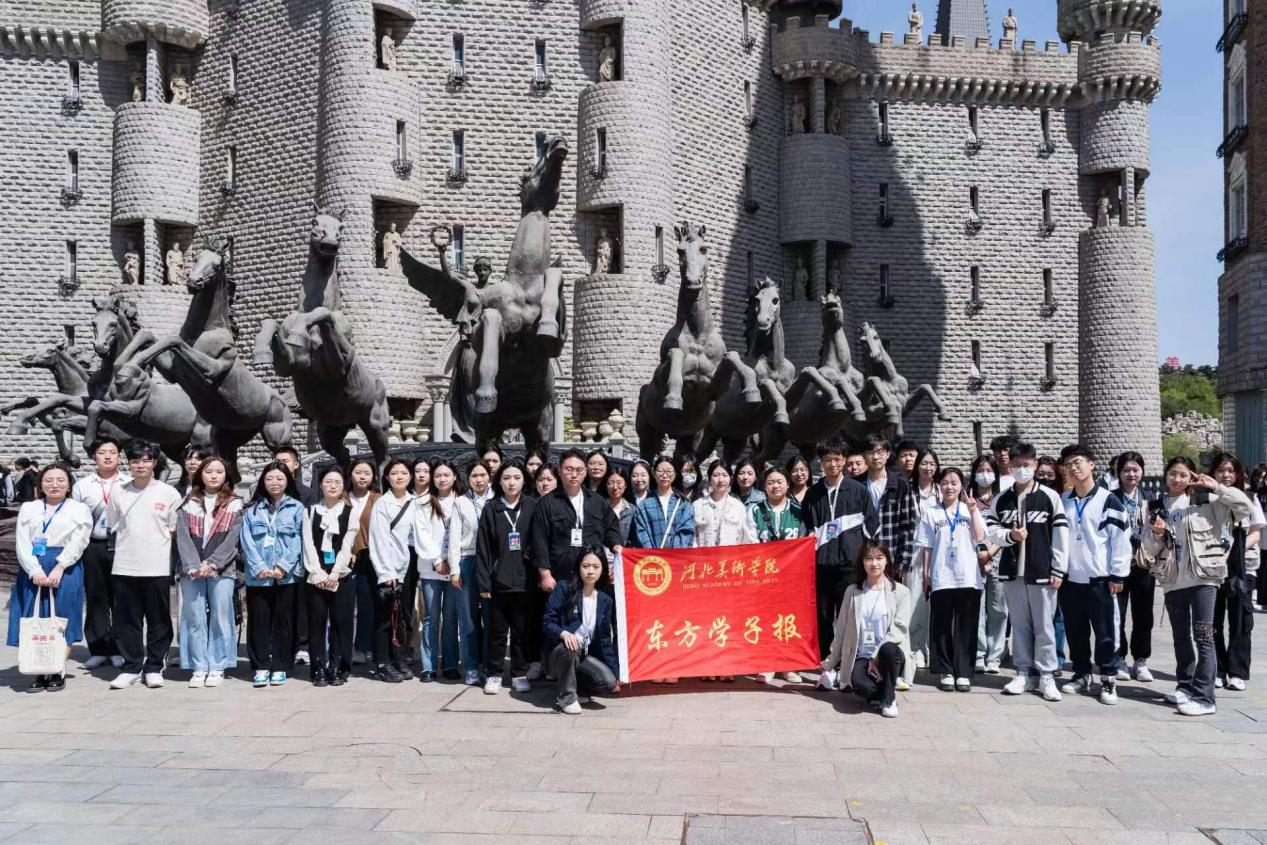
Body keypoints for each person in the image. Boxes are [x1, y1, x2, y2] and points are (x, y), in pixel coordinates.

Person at [1144, 456, 1251, 716]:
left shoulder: (1207, 501)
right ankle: (1185, 685)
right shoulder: (1156, 505)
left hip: (1204, 578)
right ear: (1165, 476)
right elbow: (1148, 547)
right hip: (1172, 580)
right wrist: (1156, 533)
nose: (1177, 479)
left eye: (1183, 474)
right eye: (1173, 473)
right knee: (1180, 636)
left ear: (1192, 477)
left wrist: (1217, 487)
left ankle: (1205, 698)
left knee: (1203, 636)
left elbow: (1244, 507)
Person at [987, 442, 1068, 702]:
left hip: (1041, 569)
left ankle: (1046, 674)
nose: (1022, 469)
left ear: (1034, 465)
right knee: (1020, 624)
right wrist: (1010, 536)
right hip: (1012, 571)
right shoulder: (1002, 499)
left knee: (1044, 625)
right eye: (1017, 465)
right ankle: (1022, 672)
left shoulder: (1049, 497)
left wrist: (1058, 568)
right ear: (1010, 466)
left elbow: (1060, 535)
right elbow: (991, 530)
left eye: (1026, 465)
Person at [1058, 445, 1132, 705]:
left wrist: (1118, 575)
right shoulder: (1063, 500)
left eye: (1078, 462)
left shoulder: (1108, 500)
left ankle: (1108, 677)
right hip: (1071, 579)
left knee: (1106, 631)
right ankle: (1082, 674)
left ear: (1091, 464)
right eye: (1068, 464)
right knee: (1075, 631)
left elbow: (1120, 540)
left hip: (1101, 579)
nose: (1073, 468)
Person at [8, 462, 91, 691]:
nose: (55, 485)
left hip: (66, 566)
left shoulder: (78, 509)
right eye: (49, 480)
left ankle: (57, 669)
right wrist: (34, 570)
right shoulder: (29, 508)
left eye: (60, 480)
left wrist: (60, 566)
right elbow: (22, 541)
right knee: (34, 616)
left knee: (63, 616)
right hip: (33, 566)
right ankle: (38, 669)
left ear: (69, 485)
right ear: (41, 484)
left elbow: (80, 540)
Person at [106, 441, 182, 690]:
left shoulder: (169, 493)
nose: (140, 465)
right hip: (125, 565)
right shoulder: (119, 492)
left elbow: (173, 530)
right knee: (127, 620)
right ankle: (131, 667)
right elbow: (113, 524)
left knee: (158, 619)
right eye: (135, 460)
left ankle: (154, 667)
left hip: (156, 566)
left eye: (146, 460)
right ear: (128, 463)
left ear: (154, 463)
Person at [803, 440, 878, 682]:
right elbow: (806, 529)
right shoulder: (813, 494)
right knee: (823, 617)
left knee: (849, 617)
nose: (833, 464)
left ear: (844, 460)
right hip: (821, 565)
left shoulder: (858, 491)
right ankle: (827, 666)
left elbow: (871, 528)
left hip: (849, 566)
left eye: (837, 459)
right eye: (827, 460)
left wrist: (866, 561)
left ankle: (848, 665)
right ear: (821, 462)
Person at [914, 467, 987, 692]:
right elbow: (927, 546)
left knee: (967, 627)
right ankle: (945, 670)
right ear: (939, 485)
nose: (949, 487)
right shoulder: (932, 512)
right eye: (945, 482)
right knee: (941, 626)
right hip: (941, 575)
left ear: (962, 486)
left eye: (954, 483)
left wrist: (973, 511)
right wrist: (926, 575)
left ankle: (964, 672)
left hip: (968, 576)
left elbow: (980, 537)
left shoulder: (969, 509)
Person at [821, 541, 913, 717]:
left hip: (888, 654)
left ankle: (889, 699)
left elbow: (899, 629)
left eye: (879, 558)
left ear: (887, 560)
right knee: (860, 686)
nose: (874, 563)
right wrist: (829, 663)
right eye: (869, 558)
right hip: (862, 656)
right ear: (862, 562)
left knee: (889, 650)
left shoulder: (901, 592)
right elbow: (840, 629)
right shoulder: (852, 591)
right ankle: (882, 692)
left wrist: (875, 657)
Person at [174, 455, 242, 688]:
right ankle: (198, 666)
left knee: (221, 617)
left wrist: (212, 563)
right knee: (194, 617)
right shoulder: (188, 502)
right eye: (209, 471)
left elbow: (233, 540)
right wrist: (193, 565)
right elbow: (183, 537)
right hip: (191, 570)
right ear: (200, 474)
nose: (214, 476)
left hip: (222, 569)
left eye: (219, 472)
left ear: (226, 476)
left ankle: (217, 665)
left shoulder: (235, 503)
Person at [240, 461, 305, 687]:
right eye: (269, 479)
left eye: (279, 478)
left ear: (288, 481)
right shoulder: (252, 510)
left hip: (286, 575)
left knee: (284, 621)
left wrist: (283, 566)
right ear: (262, 482)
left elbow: (299, 539)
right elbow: (246, 540)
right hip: (258, 576)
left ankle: (280, 665)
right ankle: (260, 666)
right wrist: (259, 566)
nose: (274, 483)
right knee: (258, 621)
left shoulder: (297, 508)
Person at [477, 458, 537, 694]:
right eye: (507, 478)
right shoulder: (491, 508)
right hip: (498, 580)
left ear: (524, 480)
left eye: (517, 478)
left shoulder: (532, 505)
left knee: (522, 630)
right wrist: (484, 582)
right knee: (497, 631)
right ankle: (494, 673)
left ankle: (519, 673)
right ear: (499, 481)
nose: (512, 483)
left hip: (525, 580)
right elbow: (483, 547)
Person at [72, 437, 129, 669]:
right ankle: (98, 649)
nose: (107, 456)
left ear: (119, 456)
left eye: (112, 452)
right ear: (94, 456)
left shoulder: (129, 482)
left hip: (123, 546)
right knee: (96, 597)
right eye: (102, 452)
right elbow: (76, 519)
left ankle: (120, 649)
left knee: (122, 599)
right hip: (93, 546)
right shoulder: (82, 485)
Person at [750, 465, 810, 685]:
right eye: (770, 482)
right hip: (763, 576)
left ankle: (788, 664)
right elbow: (749, 541)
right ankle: (766, 664)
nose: (775, 486)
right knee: (765, 618)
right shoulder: (754, 510)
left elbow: (805, 541)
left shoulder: (799, 511)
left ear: (787, 484)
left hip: (791, 576)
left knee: (789, 619)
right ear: (764, 486)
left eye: (779, 481)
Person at [543, 547, 620, 714]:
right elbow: (548, 622)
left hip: (584, 656)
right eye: (586, 566)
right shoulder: (564, 588)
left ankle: (579, 689)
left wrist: (616, 673)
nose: (590, 571)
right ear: (578, 567)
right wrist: (564, 634)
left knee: (608, 682)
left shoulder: (605, 600)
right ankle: (566, 697)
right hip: (559, 654)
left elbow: (605, 640)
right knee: (571, 646)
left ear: (603, 569)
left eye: (596, 566)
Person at [1209, 452, 1260, 691]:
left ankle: (1238, 672)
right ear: (1213, 473)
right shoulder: (1207, 498)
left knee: (1241, 620)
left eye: (1231, 470)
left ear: (1238, 473)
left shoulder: (1249, 497)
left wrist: (1233, 550)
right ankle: (1217, 670)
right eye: (1221, 470)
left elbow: (1256, 532)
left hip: (1242, 565)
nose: (1226, 475)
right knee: (1213, 619)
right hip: (1212, 566)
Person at [301, 466, 356, 687]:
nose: (333, 486)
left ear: (343, 486)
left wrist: (335, 573)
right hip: (316, 575)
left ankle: (338, 667)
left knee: (341, 623)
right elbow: (308, 544)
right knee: (317, 622)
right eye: (328, 481)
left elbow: (347, 545)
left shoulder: (350, 512)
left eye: (337, 482)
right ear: (321, 484)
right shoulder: (310, 511)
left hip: (340, 574)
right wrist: (318, 572)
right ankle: (318, 668)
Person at [369, 459, 419, 683]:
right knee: (385, 618)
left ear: (410, 477)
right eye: (394, 473)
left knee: (403, 615)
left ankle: (399, 658)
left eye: (404, 473)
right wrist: (386, 572)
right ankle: (382, 663)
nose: (399, 477)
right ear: (387, 477)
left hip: (409, 565)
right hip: (389, 566)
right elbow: (378, 539)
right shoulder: (383, 504)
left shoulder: (415, 501)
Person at [438, 459, 483, 685]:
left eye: (483, 475)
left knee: (490, 617)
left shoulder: (496, 499)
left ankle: (488, 665)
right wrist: (454, 569)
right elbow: (454, 537)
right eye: (474, 476)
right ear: (468, 478)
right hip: (467, 559)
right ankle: (471, 667)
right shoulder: (462, 502)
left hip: (491, 562)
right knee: (467, 618)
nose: (479, 479)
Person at [1112, 452, 1155, 683]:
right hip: (1118, 564)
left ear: (1142, 472)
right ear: (1118, 473)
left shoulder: (1151, 499)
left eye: (1135, 469)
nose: (1131, 474)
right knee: (1117, 614)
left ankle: (1141, 660)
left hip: (1143, 564)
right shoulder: (1110, 498)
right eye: (1126, 470)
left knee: (1143, 615)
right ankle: (1119, 658)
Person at [860, 437, 919, 600]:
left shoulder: (900, 485)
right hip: (862, 558)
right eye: (871, 452)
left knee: (890, 604)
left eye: (880, 452)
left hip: (891, 557)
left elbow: (907, 526)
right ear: (865, 456)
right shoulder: (856, 485)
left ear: (887, 454)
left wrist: (903, 560)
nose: (875, 457)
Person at [969, 454, 1007, 674]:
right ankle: (979, 653)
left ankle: (995, 656)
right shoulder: (967, 499)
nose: (985, 475)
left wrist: (991, 552)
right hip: (973, 560)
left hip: (998, 559)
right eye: (980, 471)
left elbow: (1006, 530)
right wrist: (979, 555)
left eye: (989, 471)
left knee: (998, 609)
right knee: (977, 608)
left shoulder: (1002, 499)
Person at [411, 463, 449, 682]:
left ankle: (450, 663)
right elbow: (422, 535)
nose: (442, 479)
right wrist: (437, 560)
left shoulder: (460, 501)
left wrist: (451, 561)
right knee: (430, 618)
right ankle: (429, 666)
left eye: (446, 475)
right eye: (438, 475)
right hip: (429, 569)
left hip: (454, 568)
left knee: (451, 619)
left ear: (454, 477)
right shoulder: (424, 503)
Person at [348, 459, 379, 666]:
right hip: (345, 559)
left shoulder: (378, 499)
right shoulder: (342, 497)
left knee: (368, 605)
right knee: (346, 606)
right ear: (350, 474)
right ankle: (344, 647)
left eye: (367, 473)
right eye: (358, 472)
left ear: (373, 477)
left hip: (369, 558)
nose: (362, 476)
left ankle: (364, 646)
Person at [630, 456, 696, 550]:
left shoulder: (684, 504)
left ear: (675, 474)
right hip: (652, 558)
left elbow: (687, 532)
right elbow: (641, 534)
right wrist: (654, 555)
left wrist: (671, 554)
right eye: (660, 471)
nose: (664, 475)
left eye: (669, 471)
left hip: (677, 557)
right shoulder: (643, 506)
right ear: (653, 473)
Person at [693, 459, 758, 548]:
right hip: (704, 556)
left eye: (725, 475)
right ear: (709, 478)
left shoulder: (738, 507)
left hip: (731, 556)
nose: (720, 480)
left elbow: (745, 539)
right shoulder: (697, 506)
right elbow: (692, 540)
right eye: (715, 475)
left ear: (730, 478)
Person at [605, 468, 635, 544]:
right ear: (606, 485)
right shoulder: (599, 507)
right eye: (611, 483)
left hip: (624, 550)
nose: (615, 487)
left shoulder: (632, 510)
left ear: (625, 485)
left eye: (619, 482)